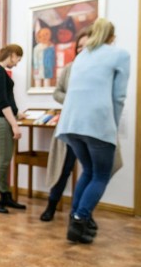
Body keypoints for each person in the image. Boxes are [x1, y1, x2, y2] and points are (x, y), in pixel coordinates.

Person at [55, 18, 130, 244]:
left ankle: (75, 221)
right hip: (97, 123)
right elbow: (118, 97)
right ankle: (80, 218)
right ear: (112, 37)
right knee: (101, 174)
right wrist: (112, 126)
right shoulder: (119, 55)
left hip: (71, 124)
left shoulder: (81, 57)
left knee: (88, 170)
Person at [40, 27, 89, 222]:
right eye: (79, 47)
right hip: (70, 124)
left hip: (91, 126)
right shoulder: (69, 68)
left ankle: (81, 212)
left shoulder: (100, 69)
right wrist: (72, 98)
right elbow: (57, 92)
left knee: (91, 171)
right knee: (64, 168)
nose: (81, 50)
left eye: (87, 46)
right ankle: (51, 206)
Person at [0, 44, 27, 214]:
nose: (16, 64)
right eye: (18, 59)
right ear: (13, 54)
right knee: (3, 159)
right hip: (2, 119)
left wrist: (17, 113)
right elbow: (1, 101)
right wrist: (14, 124)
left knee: (6, 159)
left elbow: (6, 99)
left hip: (5, 117)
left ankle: (5, 195)